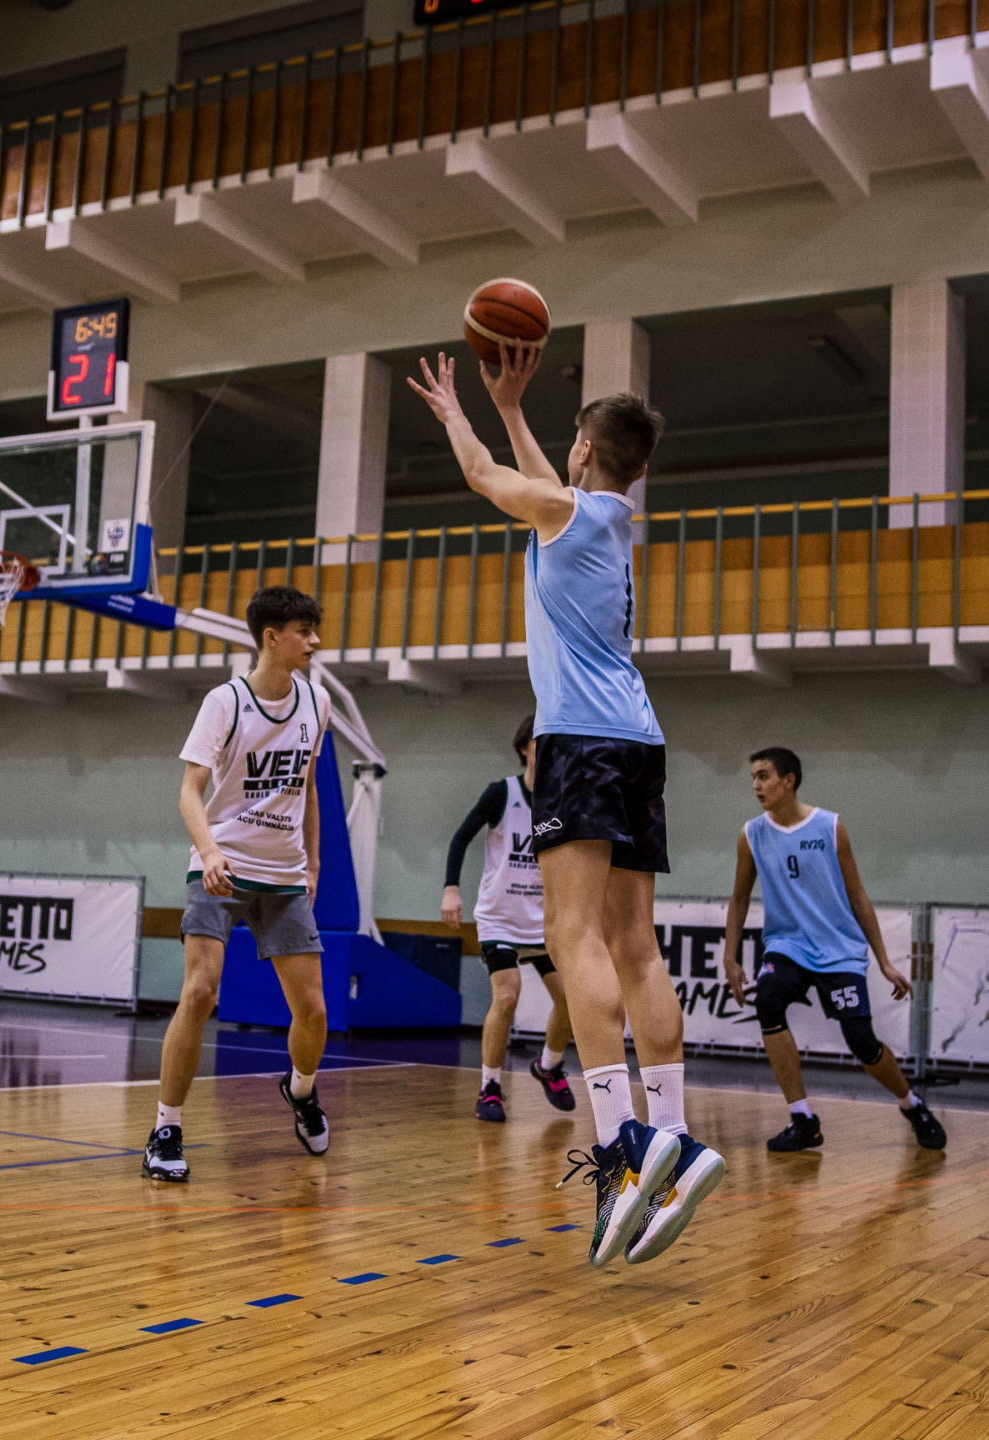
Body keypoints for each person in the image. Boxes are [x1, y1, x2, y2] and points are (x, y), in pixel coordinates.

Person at [409, 341, 722, 1270]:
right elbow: (545, 483)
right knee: (636, 943)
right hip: (639, 739)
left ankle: (624, 1148)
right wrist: (513, 408)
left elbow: (484, 477)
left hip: (579, 741)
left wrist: (459, 413)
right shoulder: (606, 520)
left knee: (571, 935)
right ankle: (675, 1141)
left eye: (572, 441)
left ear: (585, 449)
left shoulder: (566, 513)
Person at [142, 585, 333, 1183]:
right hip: (220, 866)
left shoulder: (317, 702)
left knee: (314, 1012)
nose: (315, 641)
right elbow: (189, 791)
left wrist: (313, 865)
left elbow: (307, 787)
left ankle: (300, 1091)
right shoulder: (225, 702)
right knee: (200, 992)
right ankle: (166, 1130)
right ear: (271, 637)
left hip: (284, 875)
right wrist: (209, 851)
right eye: (304, 631)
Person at [721, 748, 947, 1153]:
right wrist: (730, 956)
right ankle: (802, 1118)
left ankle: (912, 1105)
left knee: (862, 1042)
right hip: (787, 945)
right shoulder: (751, 834)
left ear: (788, 780)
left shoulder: (829, 826)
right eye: (753, 777)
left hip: (837, 949)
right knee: (768, 1001)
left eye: (763, 775)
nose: (756, 785)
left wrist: (884, 962)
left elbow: (857, 895)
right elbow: (739, 899)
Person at [441, 711, 576, 1122]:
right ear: (524, 747)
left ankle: (549, 1066)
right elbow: (461, 837)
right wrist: (450, 889)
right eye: (542, 742)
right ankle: (490, 1088)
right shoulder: (502, 793)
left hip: (542, 921)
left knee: (572, 998)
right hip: (499, 918)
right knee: (507, 995)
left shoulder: (560, 801)